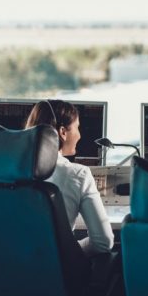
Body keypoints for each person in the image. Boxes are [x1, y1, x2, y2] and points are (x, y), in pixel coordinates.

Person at [25, 99, 114, 256]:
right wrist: (67, 249)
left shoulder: (0, 174)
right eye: (77, 128)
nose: (79, 135)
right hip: (53, 276)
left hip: (5, 274)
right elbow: (103, 242)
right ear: (62, 132)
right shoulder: (78, 174)